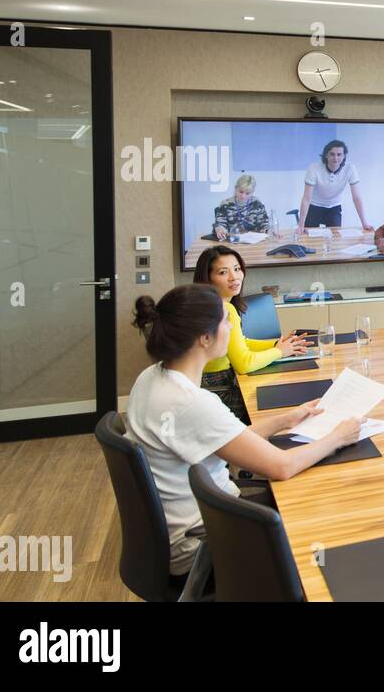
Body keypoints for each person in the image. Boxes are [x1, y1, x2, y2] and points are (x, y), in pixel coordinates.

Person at [125, 284, 362, 578]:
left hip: (197, 523)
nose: (232, 327)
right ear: (204, 337)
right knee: (331, 515)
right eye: (226, 321)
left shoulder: (152, 377)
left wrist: (286, 419)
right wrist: (339, 436)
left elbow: (228, 439)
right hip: (208, 544)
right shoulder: (190, 402)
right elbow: (282, 466)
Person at [193, 245, 308, 421]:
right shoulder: (225, 309)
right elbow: (244, 364)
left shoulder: (208, 304)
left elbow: (241, 343)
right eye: (223, 272)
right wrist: (279, 352)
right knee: (292, 400)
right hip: (220, 392)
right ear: (208, 278)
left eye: (237, 269)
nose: (234, 277)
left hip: (203, 388)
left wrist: (277, 344)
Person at [297, 139, 372, 232]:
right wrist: (301, 225)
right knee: (309, 237)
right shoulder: (313, 168)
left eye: (339, 154)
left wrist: (364, 223)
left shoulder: (350, 169)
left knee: (335, 237)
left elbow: (356, 197)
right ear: (326, 155)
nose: (336, 158)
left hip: (334, 208)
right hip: (314, 207)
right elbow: (306, 198)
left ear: (344, 156)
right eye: (332, 154)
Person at [211, 173, 270, 240]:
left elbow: (264, 223)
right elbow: (220, 224)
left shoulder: (257, 203)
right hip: (232, 241)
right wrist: (220, 229)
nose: (243, 196)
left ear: (252, 192)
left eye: (247, 193)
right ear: (236, 188)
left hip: (253, 243)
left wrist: (268, 230)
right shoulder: (225, 204)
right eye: (241, 192)